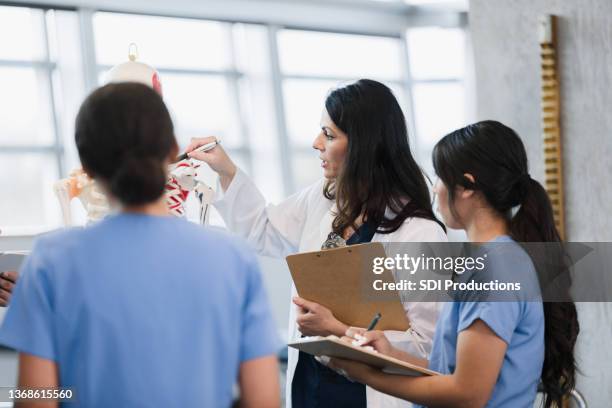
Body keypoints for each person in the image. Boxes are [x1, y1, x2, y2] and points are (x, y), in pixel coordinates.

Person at [0, 83, 281, 408]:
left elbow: (38, 399)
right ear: (173, 151)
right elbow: (263, 401)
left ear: (87, 168)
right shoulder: (234, 260)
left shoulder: (52, 261)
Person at [186, 79, 447, 408]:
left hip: (370, 396)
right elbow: (261, 230)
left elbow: (427, 349)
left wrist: (337, 329)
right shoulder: (322, 200)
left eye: (329, 134)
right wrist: (226, 170)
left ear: (364, 144)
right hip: (311, 387)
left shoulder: (420, 233)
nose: (315, 143)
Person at [328, 120, 579, 408]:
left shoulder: (494, 268)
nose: (435, 190)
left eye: (439, 177)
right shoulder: (497, 260)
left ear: (466, 186)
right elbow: (453, 372)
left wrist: (367, 376)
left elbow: (468, 394)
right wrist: (389, 356)